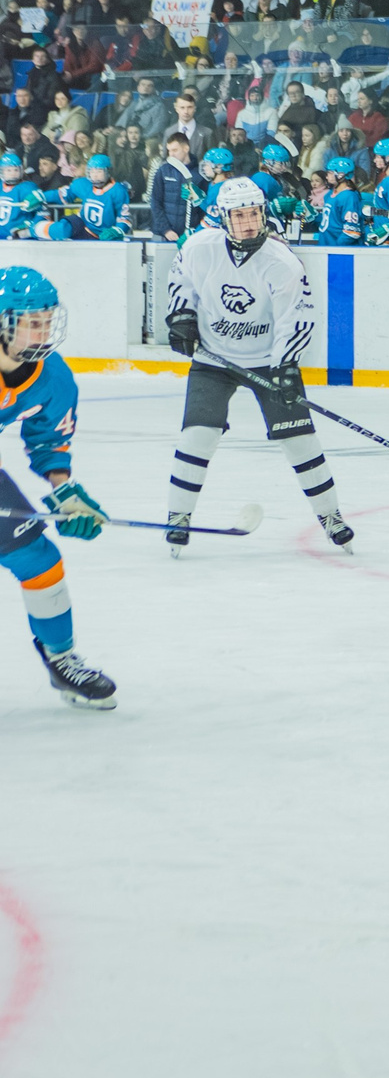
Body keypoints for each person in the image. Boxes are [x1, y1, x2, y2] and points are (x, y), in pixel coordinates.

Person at [161, 179, 353, 553]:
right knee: (197, 435)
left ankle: (331, 517)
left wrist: (285, 367)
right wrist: (182, 316)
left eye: (253, 214)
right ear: (223, 217)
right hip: (213, 360)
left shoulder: (282, 262)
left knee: (299, 440)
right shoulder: (199, 248)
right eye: (239, 216)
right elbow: (180, 278)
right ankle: (178, 516)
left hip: (269, 362)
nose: (248, 223)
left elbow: (295, 318)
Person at [0, 267, 117, 707]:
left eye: (48, 320)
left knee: (38, 558)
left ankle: (61, 658)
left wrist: (64, 491)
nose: (43, 331)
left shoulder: (52, 377)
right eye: (32, 322)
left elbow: (48, 439)